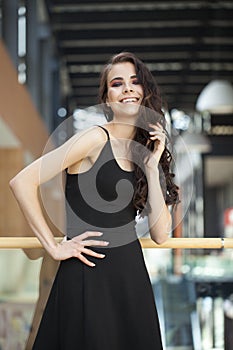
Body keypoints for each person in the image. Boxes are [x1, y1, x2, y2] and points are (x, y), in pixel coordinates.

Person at [10, 52, 179, 350]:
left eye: (134, 81)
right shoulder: (93, 139)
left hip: (130, 278)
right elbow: (22, 181)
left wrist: (152, 168)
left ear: (144, 91)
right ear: (107, 97)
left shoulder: (145, 151)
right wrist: (53, 245)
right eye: (117, 83)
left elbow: (161, 234)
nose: (127, 88)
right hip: (86, 272)